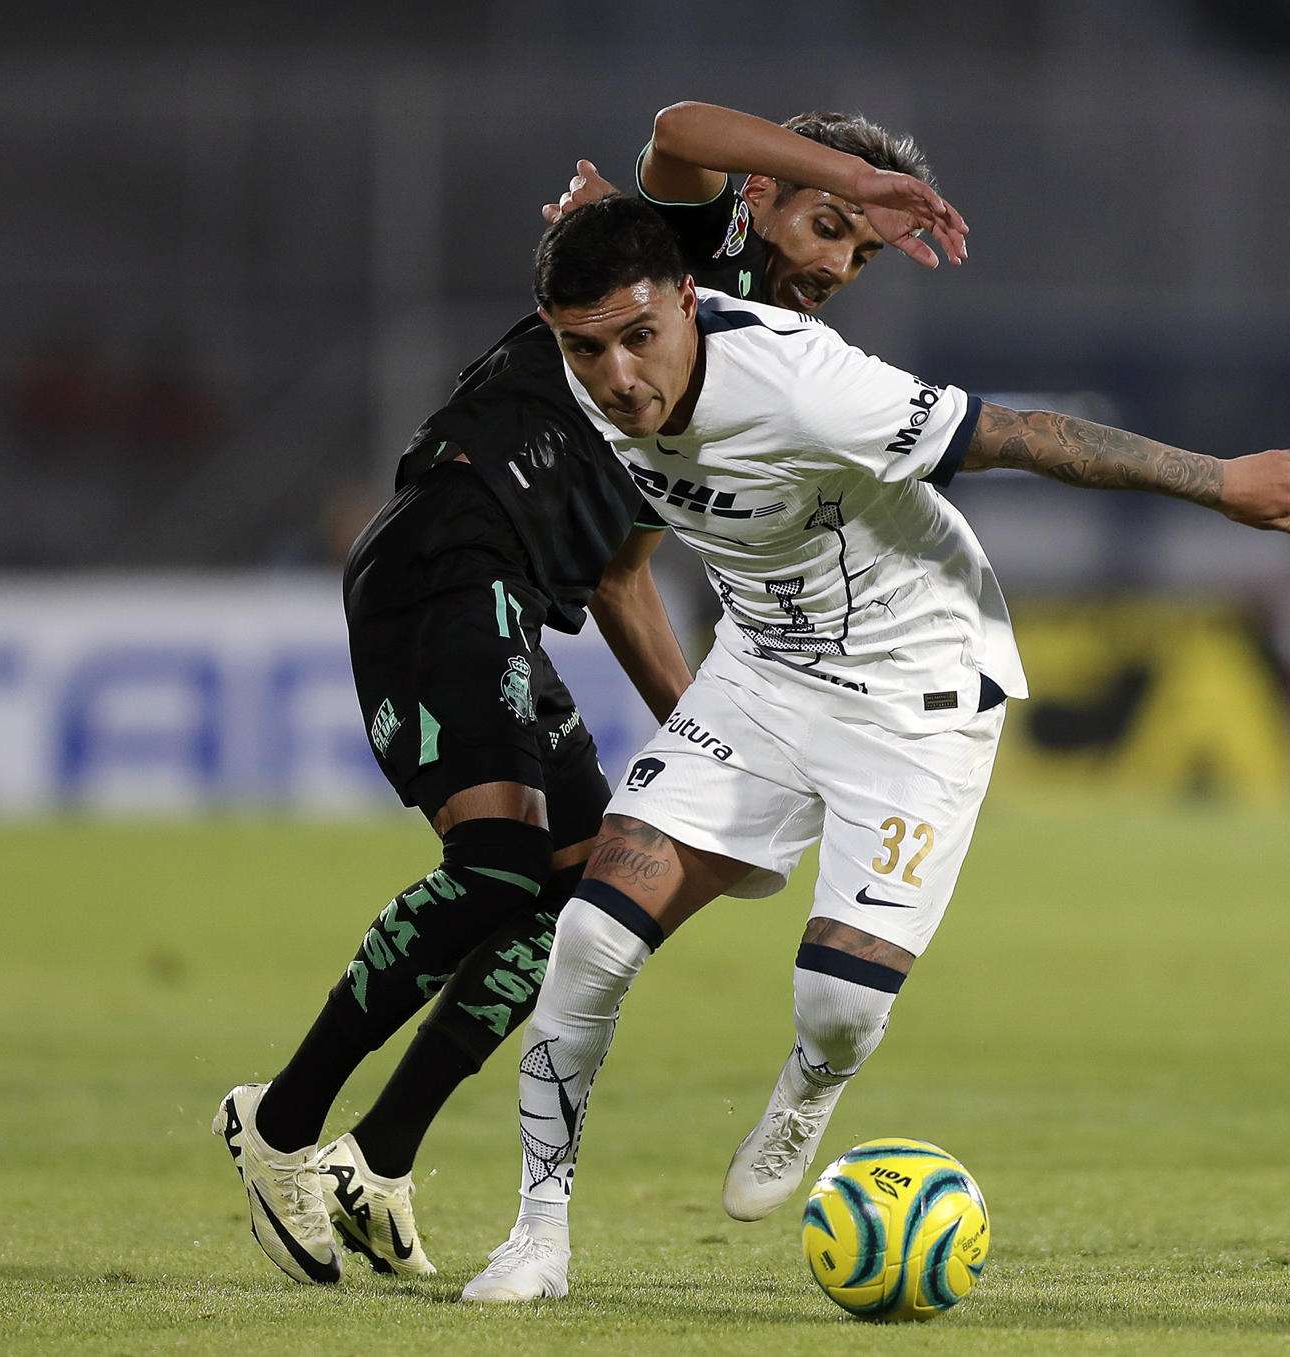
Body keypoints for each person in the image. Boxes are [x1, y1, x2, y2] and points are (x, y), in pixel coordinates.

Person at [461, 195, 1290, 1302]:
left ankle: (808, 1091)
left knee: (839, 1005)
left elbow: (1023, 435)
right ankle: (538, 1232)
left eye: (640, 337)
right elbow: (665, 177)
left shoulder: (806, 386)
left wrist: (1219, 482)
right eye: (586, 348)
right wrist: (608, 201)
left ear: (689, 303)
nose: (617, 373)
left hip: (916, 687)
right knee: (590, 938)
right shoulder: (583, 380)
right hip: (765, 673)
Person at [211, 103, 965, 1287]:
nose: (833, 263)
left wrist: (721, 752)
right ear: (762, 196)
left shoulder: (741, 372)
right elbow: (683, 125)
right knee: (500, 861)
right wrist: (854, 174)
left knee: (567, 895)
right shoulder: (680, 252)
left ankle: (380, 1156)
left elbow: (620, 578)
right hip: (452, 545)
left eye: (860, 252)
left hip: (528, 594)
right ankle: (283, 1123)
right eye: (827, 226)